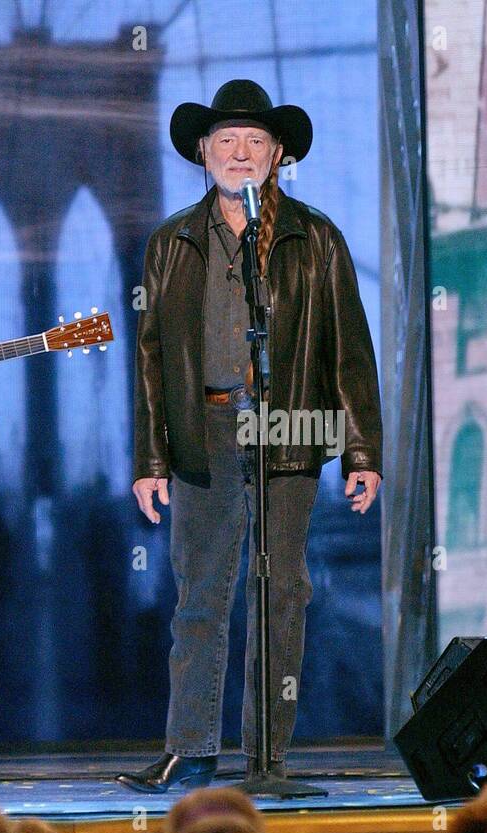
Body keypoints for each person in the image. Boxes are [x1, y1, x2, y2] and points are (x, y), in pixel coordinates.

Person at [118, 80, 383, 792]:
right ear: (203, 153)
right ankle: (192, 747)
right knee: (200, 594)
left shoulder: (316, 237)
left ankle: (267, 760)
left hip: (288, 423)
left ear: (279, 156)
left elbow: (349, 350)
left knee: (281, 593)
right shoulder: (171, 242)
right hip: (204, 429)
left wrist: (362, 451)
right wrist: (150, 457)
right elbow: (149, 356)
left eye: (256, 142)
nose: (241, 153)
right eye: (227, 140)